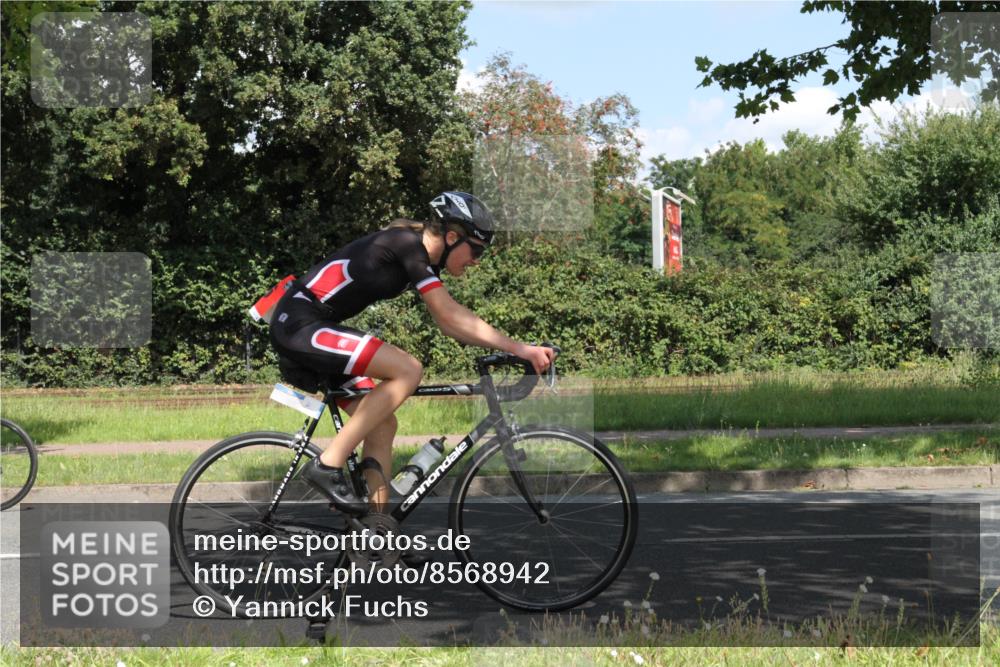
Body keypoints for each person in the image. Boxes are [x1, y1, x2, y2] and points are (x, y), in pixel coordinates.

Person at [267, 192, 554, 514]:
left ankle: (378, 537)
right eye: (476, 249)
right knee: (408, 369)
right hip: (299, 325)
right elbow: (448, 314)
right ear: (451, 236)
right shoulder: (406, 244)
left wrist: (514, 349)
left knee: (382, 424)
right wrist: (520, 348)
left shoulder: (419, 257)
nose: (476, 259)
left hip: (313, 326)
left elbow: (452, 323)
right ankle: (326, 464)